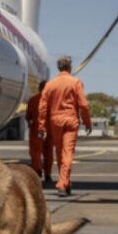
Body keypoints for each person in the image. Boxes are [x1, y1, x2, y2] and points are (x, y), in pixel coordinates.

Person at [38, 57, 91, 197]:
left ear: (58, 68)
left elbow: (42, 107)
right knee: (67, 153)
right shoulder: (75, 82)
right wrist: (87, 122)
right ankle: (63, 184)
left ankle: (65, 182)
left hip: (55, 120)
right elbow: (84, 105)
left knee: (60, 153)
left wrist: (41, 126)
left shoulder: (50, 84)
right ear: (69, 67)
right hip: (71, 120)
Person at [25, 80, 53, 183]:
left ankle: (37, 171)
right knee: (48, 153)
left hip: (37, 129)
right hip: (50, 129)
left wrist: (29, 122)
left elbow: (28, 116)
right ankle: (48, 175)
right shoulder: (53, 100)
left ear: (39, 88)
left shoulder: (33, 100)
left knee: (35, 152)